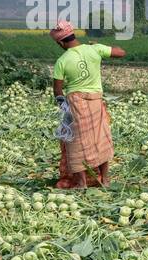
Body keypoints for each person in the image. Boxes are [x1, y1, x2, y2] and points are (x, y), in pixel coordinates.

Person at [51, 19, 125, 189]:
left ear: (61, 42)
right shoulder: (95, 49)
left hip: (75, 102)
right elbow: (121, 52)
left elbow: (57, 91)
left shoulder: (62, 61)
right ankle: (105, 180)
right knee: (101, 139)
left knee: (75, 142)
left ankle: (81, 183)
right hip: (96, 101)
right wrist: (98, 45)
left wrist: (65, 110)